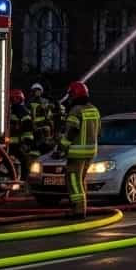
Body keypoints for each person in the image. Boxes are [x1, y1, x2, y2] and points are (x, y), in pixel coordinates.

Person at [57, 81, 100, 218]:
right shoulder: (94, 109)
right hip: (91, 152)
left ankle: (78, 210)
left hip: (76, 152)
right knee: (81, 180)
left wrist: (61, 148)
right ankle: (82, 207)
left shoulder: (76, 111)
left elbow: (71, 132)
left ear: (74, 95)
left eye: (70, 95)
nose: (69, 99)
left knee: (73, 180)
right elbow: (99, 132)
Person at [7, 88, 35, 179]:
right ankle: (21, 180)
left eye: (12, 99)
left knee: (23, 160)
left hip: (17, 143)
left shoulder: (21, 112)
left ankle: (22, 180)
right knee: (22, 161)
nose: (11, 102)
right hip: (13, 143)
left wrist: (25, 143)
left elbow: (27, 130)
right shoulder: (13, 111)